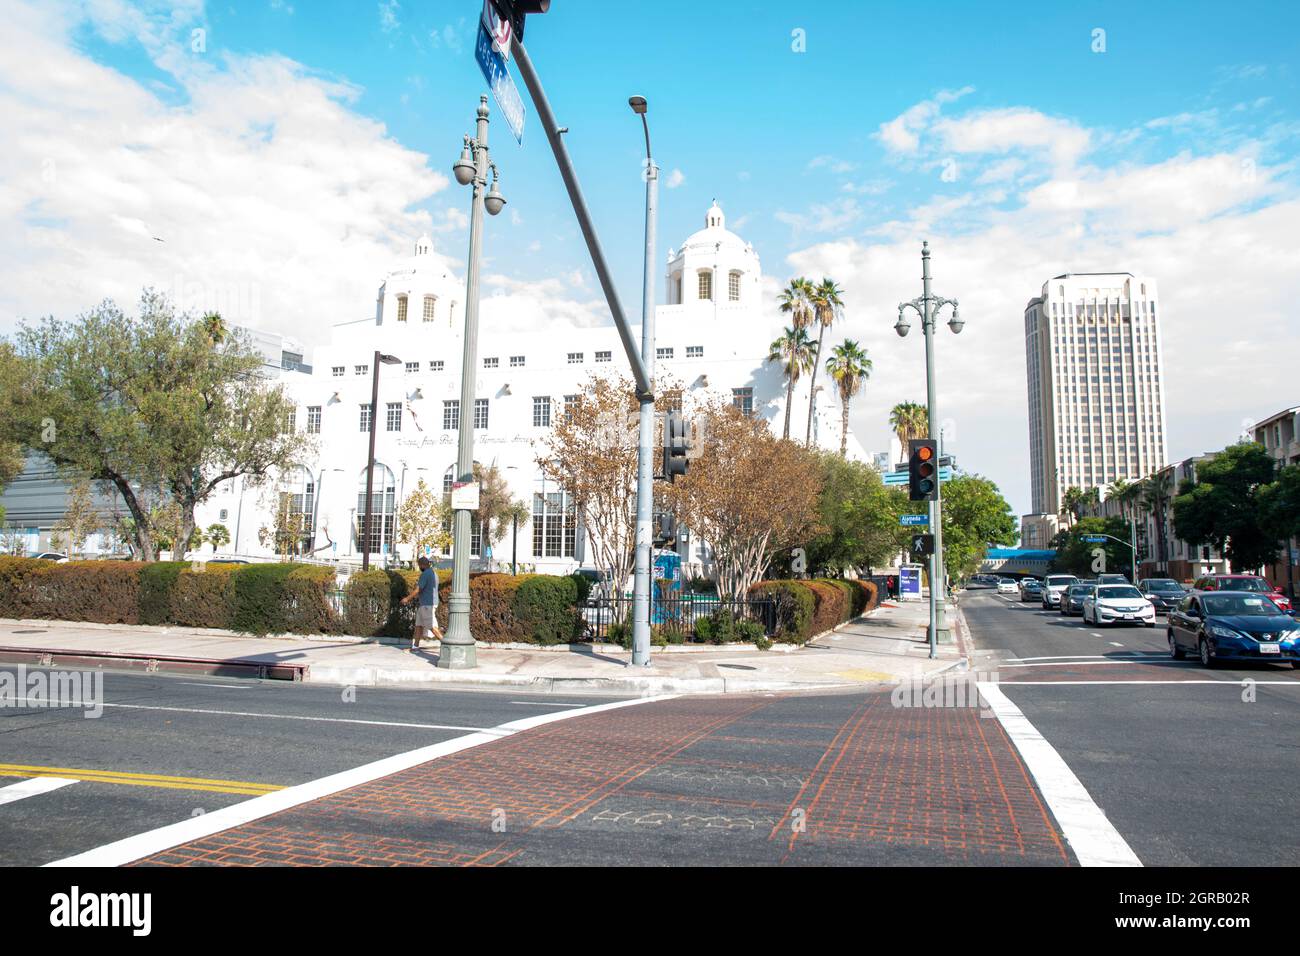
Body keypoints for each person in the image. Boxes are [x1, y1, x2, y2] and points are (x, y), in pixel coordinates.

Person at [400, 555, 441, 652]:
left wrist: (407, 598)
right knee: (419, 625)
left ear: (423, 565)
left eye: (419, 565)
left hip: (427, 604)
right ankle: (415, 647)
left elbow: (419, 589)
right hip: (427, 603)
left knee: (431, 626)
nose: (419, 567)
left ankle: (446, 644)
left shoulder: (425, 574)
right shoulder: (433, 573)